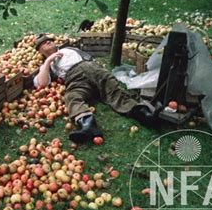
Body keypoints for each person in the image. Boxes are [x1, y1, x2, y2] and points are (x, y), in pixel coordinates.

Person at [33, 34, 161, 143]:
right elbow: (42, 84)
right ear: (40, 51)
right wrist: (49, 60)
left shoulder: (68, 49)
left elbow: (89, 57)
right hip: (75, 79)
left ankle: (144, 114)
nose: (48, 41)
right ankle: (87, 125)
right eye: (43, 43)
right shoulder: (46, 66)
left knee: (113, 91)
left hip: (91, 68)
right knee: (71, 97)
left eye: (49, 40)